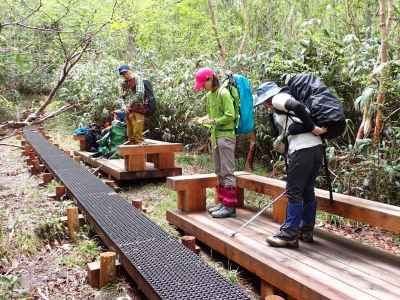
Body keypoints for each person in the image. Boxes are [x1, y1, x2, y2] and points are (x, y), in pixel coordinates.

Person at [254, 82, 327, 248]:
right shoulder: (287, 99)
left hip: (302, 150)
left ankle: (289, 235)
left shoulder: (279, 98)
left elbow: (297, 106)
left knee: (294, 191)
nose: (266, 106)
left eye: (265, 102)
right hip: (315, 149)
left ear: (269, 97)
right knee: (307, 190)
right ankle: (305, 230)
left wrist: (312, 128)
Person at [194, 67, 239, 218]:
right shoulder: (210, 95)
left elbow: (230, 115)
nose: (202, 87)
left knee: (227, 171)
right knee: (219, 171)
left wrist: (213, 121)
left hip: (226, 136)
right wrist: (203, 119)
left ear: (210, 79)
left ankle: (230, 206)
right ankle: (222, 201)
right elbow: (212, 116)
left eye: (203, 84)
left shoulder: (223, 93)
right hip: (215, 137)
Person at [118, 64, 150, 144]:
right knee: (130, 135)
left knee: (138, 134)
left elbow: (140, 93)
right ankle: (132, 153)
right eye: (122, 74)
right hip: (128, 112)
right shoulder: (123, 83)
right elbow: (120, 97)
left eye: (125, 72)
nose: (124, 75)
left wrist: (129, 104)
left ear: (130, 70)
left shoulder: (137, 79)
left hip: (138, 109)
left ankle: (139, 153)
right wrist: (124, 106)